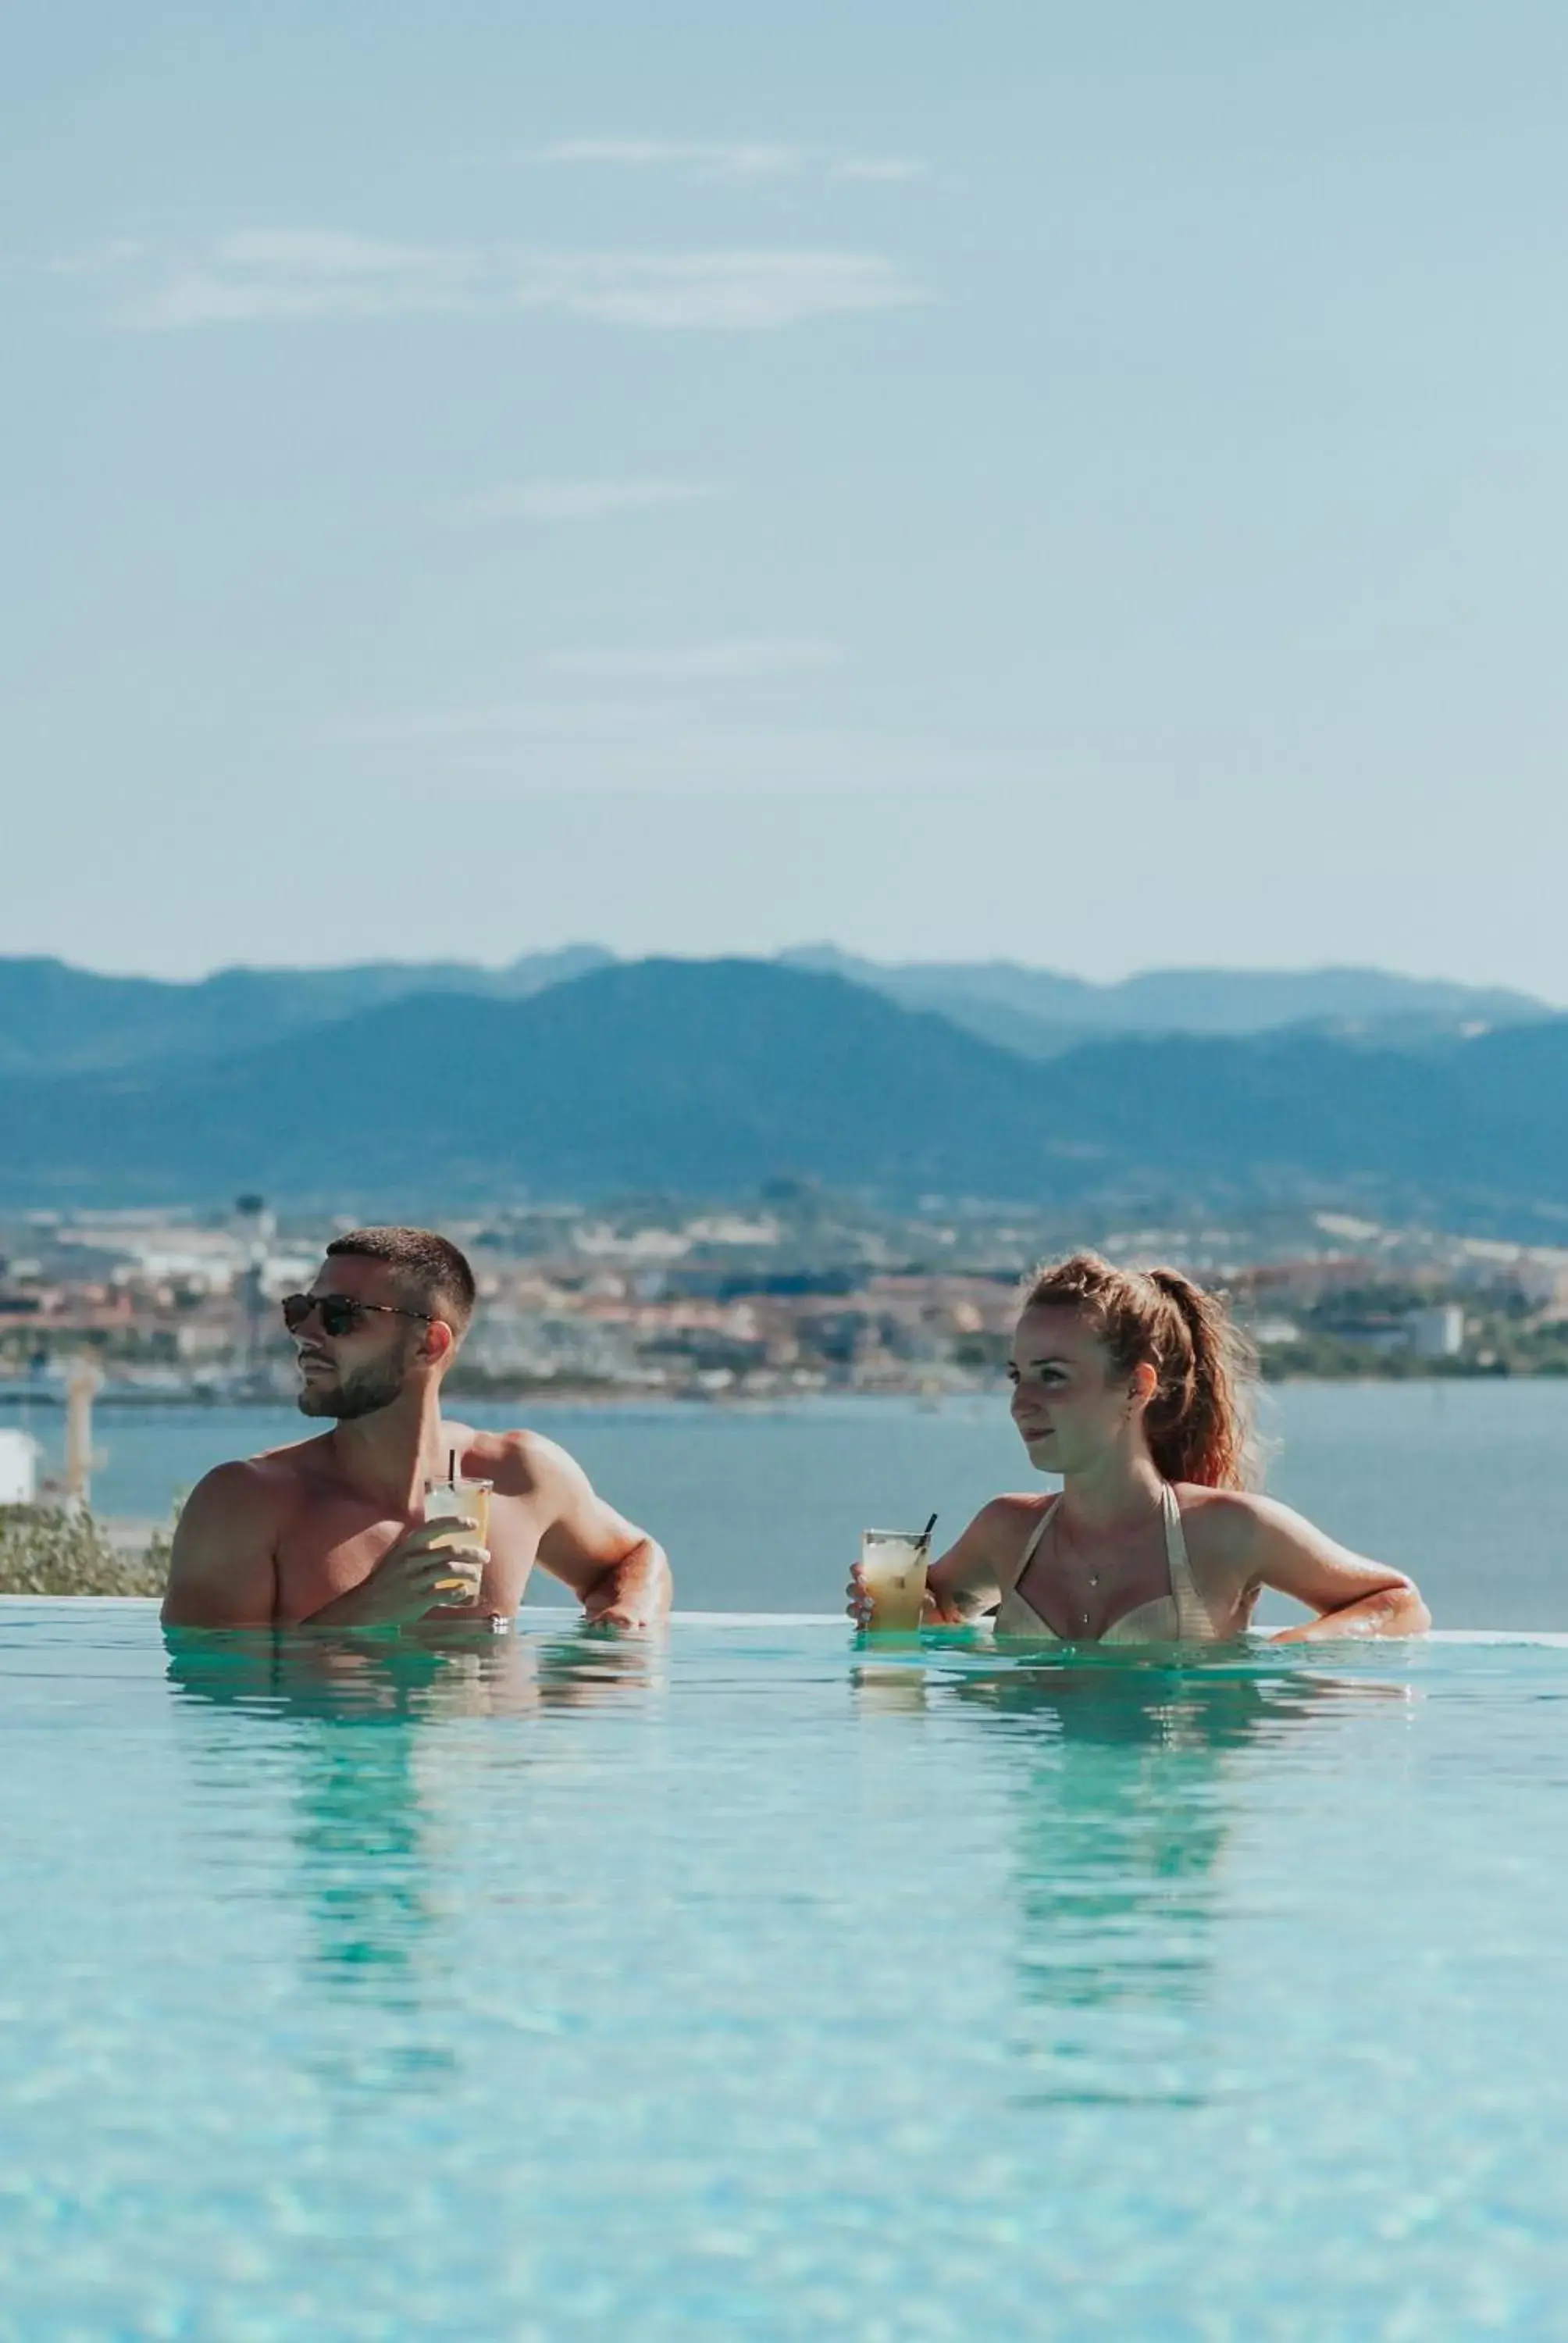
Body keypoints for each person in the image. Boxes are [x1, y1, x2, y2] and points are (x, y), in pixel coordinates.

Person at [849, 1252, 1428, 1642]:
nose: (1021, 1403)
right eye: (1016, 1376)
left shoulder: (1228, 1531)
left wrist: (1291, 1658)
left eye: (1052, 1376)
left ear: (1136, 1387)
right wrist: (896, 1615)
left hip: (1175, 1816)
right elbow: (935, 1616)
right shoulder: (1005, 1532)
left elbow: (1399, 1602)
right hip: (1047, 1820)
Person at [161, 1226, 671, 1632]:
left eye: (340, 1317)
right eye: (302, 1310)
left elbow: (636, 1557)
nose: (306, 1334)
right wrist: (370, 1611)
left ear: (429, 1344)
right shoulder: (245, 1504)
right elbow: (221, 1703)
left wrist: (626, 1617)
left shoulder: (520, 1475)